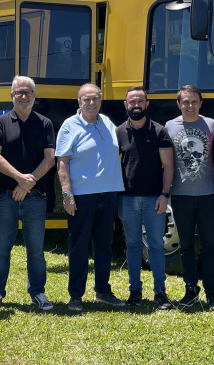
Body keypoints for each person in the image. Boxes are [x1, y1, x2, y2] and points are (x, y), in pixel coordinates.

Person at [0, 76, 55, 312]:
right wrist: (20, 178)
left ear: (34, 96)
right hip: (5, 197)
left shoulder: (45, 123)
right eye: (19, 92)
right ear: (12, 95)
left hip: (35, 198)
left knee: (36, 251)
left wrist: (29, 182)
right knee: (1, 249)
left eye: (28, 92)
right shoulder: (1, 122)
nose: (23, 96)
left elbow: (50, 158)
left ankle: (38, 292)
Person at [56, 83, 125, 311]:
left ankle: (103, 291)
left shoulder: (107, 122)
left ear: (100, 100)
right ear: (79, 102)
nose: (91, 103)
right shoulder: (70, 126)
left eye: (95, 98)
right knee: (78, 245)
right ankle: (76, 295)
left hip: (109, 193)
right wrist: (67, 194)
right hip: (82, 195)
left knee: (104, 245)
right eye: (87, 99)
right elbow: (62, 162)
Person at [164, 85, 214, 310]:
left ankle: (212, 293)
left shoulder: (210, 124)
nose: (190, 106)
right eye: (185, 102)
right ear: (178, 104)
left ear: (201, 103)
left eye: (194, 101)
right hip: (181, 197)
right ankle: (190, 290)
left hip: (208, 195)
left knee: (210, 246)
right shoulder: (170, 126)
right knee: (186, 246)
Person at [116, 86, 174, 309]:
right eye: (132, 101)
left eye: (140, 100)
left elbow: (168, 165)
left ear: (147, 104)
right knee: (132, 246)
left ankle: (160, 292)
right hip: (127, 199)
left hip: (154, 199)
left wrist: (164, 194)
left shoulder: (159, 131)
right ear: (126, 104)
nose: (136, 104)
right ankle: (134, 292)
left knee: (156, 246)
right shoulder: (119, 132)